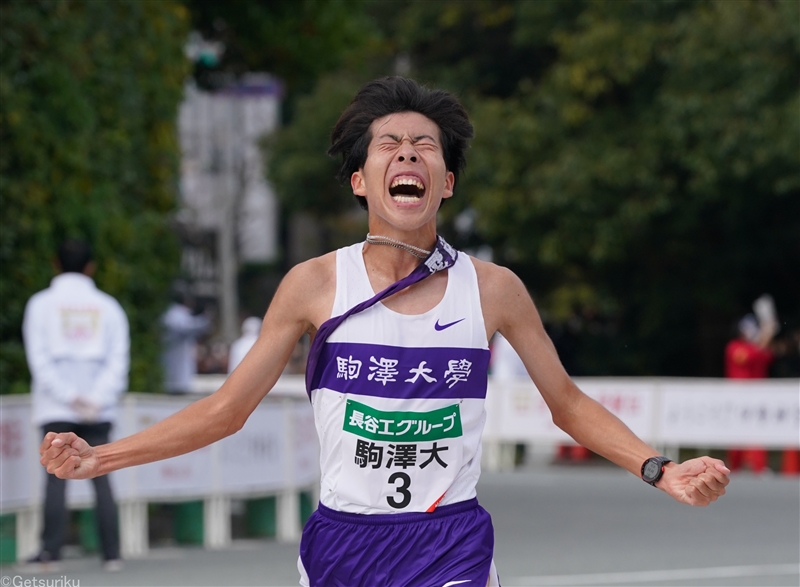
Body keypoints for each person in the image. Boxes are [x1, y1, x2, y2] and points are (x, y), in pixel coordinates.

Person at [39, 78, 730, 587]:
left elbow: (566, 402)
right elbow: (226, 410)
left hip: (449, 538)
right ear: (360, 181)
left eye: (425, 147)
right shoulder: (312, 284)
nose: (409, 155)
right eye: (390, 146)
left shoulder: (493, 289)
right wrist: (100, 459)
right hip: (345, 541)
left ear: (446, 182)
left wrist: (659, 468)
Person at [23, 239, 128, 572]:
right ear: (91, 267)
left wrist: (68, 396)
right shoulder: (109, 306)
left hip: (56, 404)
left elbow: (38, 360)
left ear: (55, 264)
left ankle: (50, 553)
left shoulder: (40, 304)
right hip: (99, 408)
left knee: (55, 476)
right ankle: (112, 554)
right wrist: (95, 398)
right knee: (103, 472)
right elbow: (118, 360)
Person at [724, 296, 779, 473]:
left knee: (758, 432)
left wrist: (766, 336)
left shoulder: (756, 346)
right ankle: (735, 466)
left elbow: (767, 356)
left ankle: (758, 466)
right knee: (737, 434)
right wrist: (765, 335)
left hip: (758, 397)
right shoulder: (734, 347)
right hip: (739, 398)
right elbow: (750, 356)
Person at [160, 283, 211, 393]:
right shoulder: (176, 313)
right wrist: (205, 319)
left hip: (177, 369)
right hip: (176, 372)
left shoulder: (173, 313)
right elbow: (189, 326)